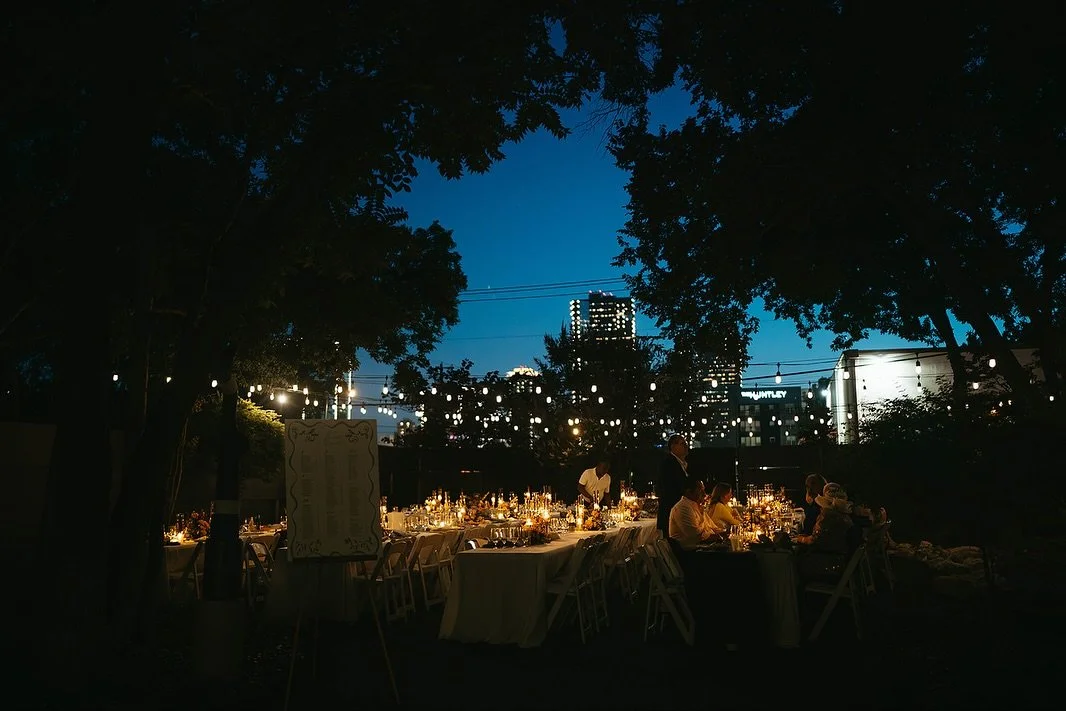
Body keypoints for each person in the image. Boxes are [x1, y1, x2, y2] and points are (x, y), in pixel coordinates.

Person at [668, 479, 725, 551]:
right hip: (689, 553)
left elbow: (712, 527)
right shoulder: (682, 507)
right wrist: (715, 536)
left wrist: (727, 532)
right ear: (689, 492)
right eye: (701, 491)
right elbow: (695, 535)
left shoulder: (697, 506)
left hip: (703, 547)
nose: (704, 494)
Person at [656, 434, 690, 534]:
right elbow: (671, 489)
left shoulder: (681, 464)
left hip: (676, 512)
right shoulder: (669, 464)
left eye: (685, 443)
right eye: (682, 444)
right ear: (673, 446)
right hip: (671, 513)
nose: (685, 446)